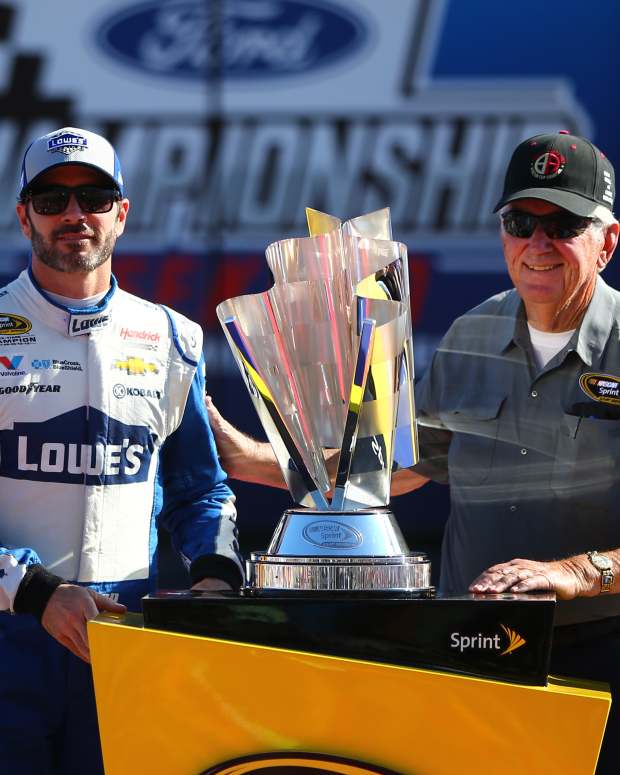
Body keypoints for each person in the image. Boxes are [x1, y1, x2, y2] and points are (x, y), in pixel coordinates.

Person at [206, 131, 620, 773]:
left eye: (563, 223)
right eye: (520, 221)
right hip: (472, 658)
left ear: (607, 241)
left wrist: (580, 571)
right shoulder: (470, 335)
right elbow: (392, 472)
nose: (539, 244)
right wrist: (246, 456)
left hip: (599, 660)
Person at [0, 127, 244, 775]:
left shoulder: (170, 337)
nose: (74, 214)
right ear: (23, 214)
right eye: (52, 199)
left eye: (95, 196)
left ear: (122, 212)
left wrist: (216, 576)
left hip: (125, 642)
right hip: (9, 637)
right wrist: (33, 590)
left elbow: (201, 490)